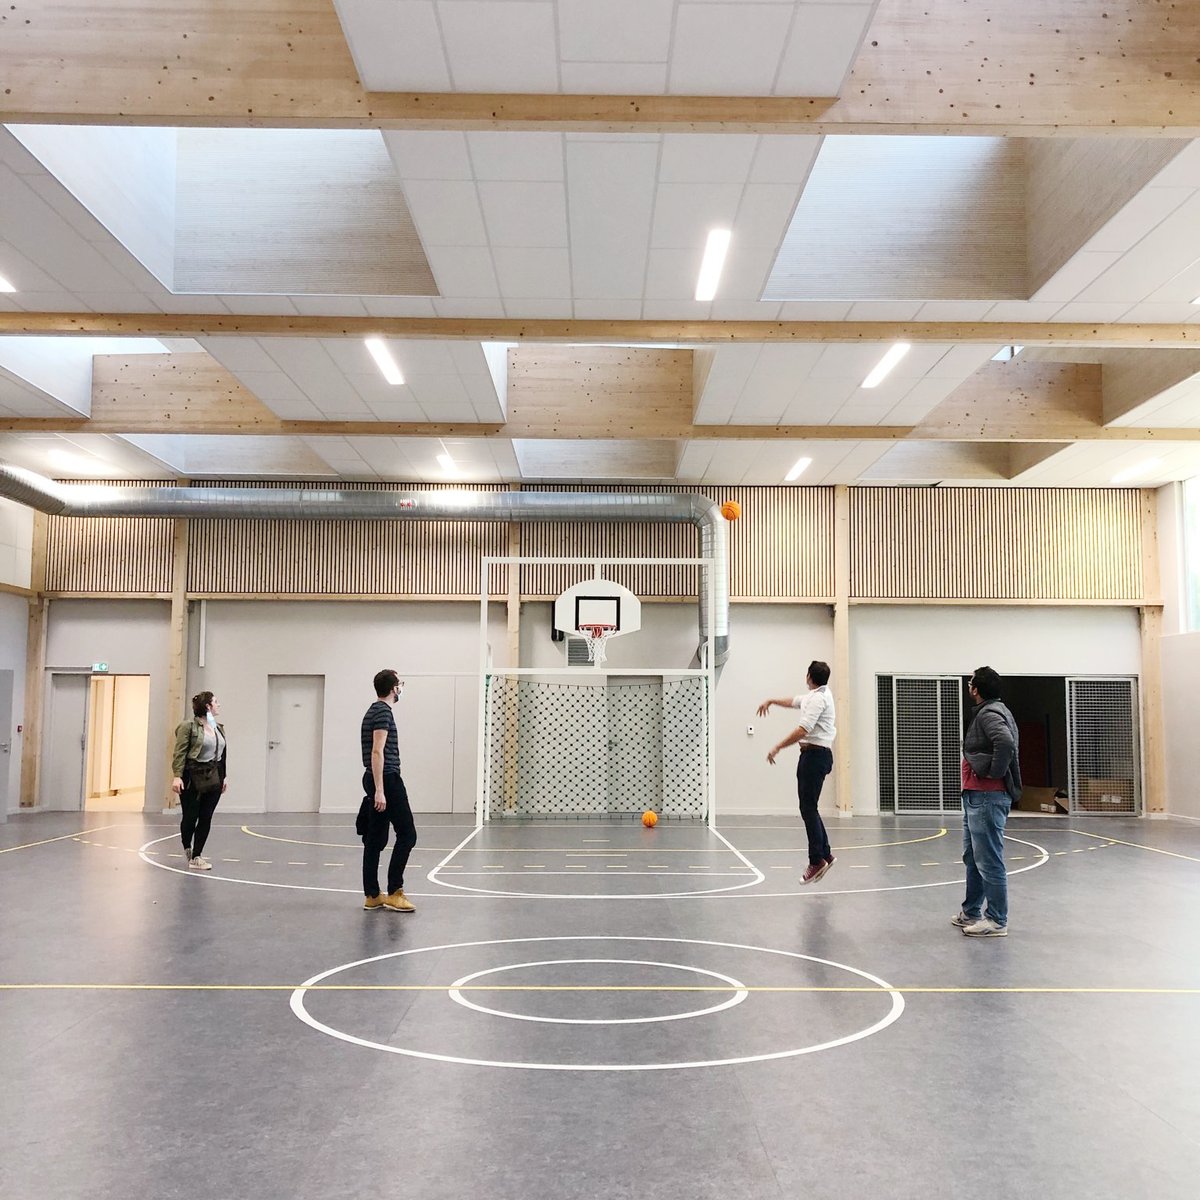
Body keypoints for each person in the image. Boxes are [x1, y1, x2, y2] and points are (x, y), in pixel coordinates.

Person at [955, 666, 1022, 938]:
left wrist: (992, 773)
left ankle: (996, 919)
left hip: (987, 796)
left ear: (976, 689)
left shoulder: (991, 714)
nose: (969, 687)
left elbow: (1005, 743)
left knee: (989, 859)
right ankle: (971, 911)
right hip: (978, 795)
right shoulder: (993, 711)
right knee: (974, 857)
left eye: (971, 683)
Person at [758, 660, 837, 884]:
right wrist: (772, 700)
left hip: (814, 757)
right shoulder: (820, 694)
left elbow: (802, 730)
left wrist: (777, 747)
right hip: (816, 756)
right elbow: (794, 701)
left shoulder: (818, 700)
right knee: (810, 807)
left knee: (808, 809)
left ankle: (817, 861)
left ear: (808, 676)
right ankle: (826, 854)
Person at [359, 668, 418, 912]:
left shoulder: (375, 711)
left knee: (375, 840)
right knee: (408, 834)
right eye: (400, 683)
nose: (401, 688)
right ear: (393, 688)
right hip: (387, 779)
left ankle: (372, 894)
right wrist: (381, 790)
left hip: (376, 779)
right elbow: (377, 751)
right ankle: (394, 891)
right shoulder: (382, 712)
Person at [171, 691, 228, 870]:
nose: (219, 705)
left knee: (206, 816)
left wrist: (224, 776)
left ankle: (197, 855)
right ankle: (187, 847)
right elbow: (179, 752)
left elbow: (222, 753)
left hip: (214, 776)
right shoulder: (188, 726)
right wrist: (177, 776)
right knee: (190, 817)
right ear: (208, 706)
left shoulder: (217, 727)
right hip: (192, 777)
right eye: (216, 702)